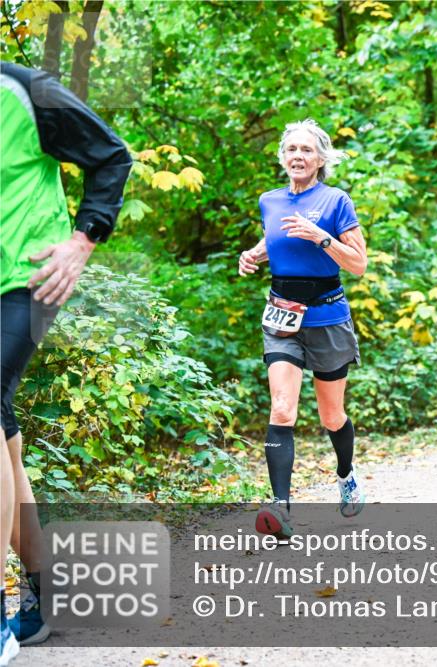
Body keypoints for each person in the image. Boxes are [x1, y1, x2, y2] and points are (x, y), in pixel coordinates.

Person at [1, 62, 132, 655]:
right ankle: (42, 596)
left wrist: (83, 241)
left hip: (29, 280)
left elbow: (111, 155)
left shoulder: (27, 92)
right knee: (4, 438)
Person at [238, 119, 368, 537]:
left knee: (331, 416)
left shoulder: (335, 201)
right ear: (282, 157)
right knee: (282, 408)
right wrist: (253, 254)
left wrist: (321, 237)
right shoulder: (269, 200)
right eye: (291, 149)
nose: (298, 156)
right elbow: (276, 238)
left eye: (306, 150)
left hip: (327, 317)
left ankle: (346, 476)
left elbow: (359, 264)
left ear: (321, 159)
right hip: (281, 317)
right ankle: (281, 509)